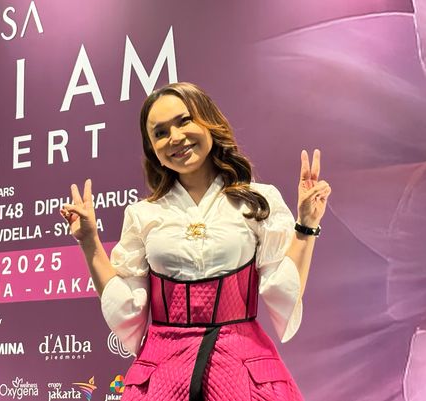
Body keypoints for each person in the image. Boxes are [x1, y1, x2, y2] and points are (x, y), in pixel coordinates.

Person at [60, 82, 331, 401]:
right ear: (154, 151)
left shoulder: (259, 200)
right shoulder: (142, 214)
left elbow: (282, 286)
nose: (175, 137)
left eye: (184, 121)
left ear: (208, 122)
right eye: (160, 133)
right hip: (163, 373)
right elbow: (127, 305)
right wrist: (89, 241)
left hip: (241, 370)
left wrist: (307, 225)